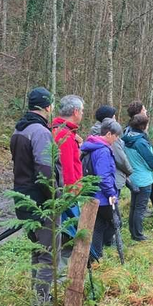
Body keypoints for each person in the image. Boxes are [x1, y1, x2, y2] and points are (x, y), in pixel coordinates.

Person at [10, 87, 60, 306]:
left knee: (37, 250)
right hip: (40, 202)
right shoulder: (40, 132)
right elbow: (44, 169)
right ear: (48, 107)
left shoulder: (19, 130)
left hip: (22, 199)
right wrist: (55, 196)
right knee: (49, 255)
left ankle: (36, 297)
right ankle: (41, 303)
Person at [80, 118, 122, 259]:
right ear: (109, 134)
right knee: (110, 223)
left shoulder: (93, 145)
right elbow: (103, 176)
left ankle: (96, 253)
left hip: (93, 193)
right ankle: (97, 253)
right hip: (102, 196)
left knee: (99, 224)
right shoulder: (103, 151)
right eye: (116, 136)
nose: (116, 140)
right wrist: (111, 193)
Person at [52, 95, 85, 263]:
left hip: (68, 194)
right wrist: (73, 192)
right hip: (67, 196)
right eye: (82, 111)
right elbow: (66, 169)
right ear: (75, 111)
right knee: (69, 235)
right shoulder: (63, 134)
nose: (82, 114)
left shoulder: (67, 132)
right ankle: (64, 274)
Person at [123, 114, 153, 241]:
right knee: (140, 207)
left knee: (134, 205)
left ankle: (132, 230)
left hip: (133, 177)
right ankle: (138, 235)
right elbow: (151, 161)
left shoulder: (127, 138)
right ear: (143, 126)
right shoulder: (140, 142)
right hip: (143, 179)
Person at [91, 105, 134, 196]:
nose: (115, 118)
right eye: (113, 116)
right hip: (112, 179)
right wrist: (129, 171)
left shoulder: (94, 132)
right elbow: (120, 158)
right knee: (112, 207)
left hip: (97, 178)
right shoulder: (110, 136)